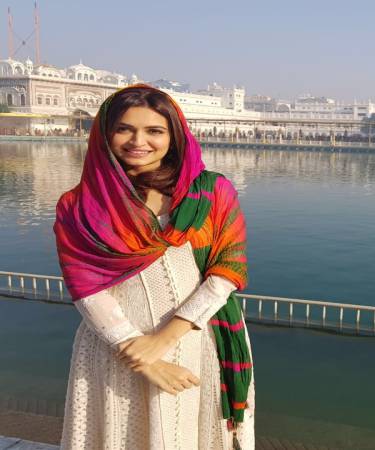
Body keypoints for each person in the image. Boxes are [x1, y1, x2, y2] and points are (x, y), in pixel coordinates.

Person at [53, 84, 255, 449]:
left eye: (154, 131)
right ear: (104, 134)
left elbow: (227, 269)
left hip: (194, 340)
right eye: (124, 128)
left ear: (173, 136)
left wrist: (162, 340)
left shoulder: (209, 192)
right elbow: (85, 287)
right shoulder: (80, 206)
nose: (138, 141)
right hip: (115, 347)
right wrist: (140, 355)